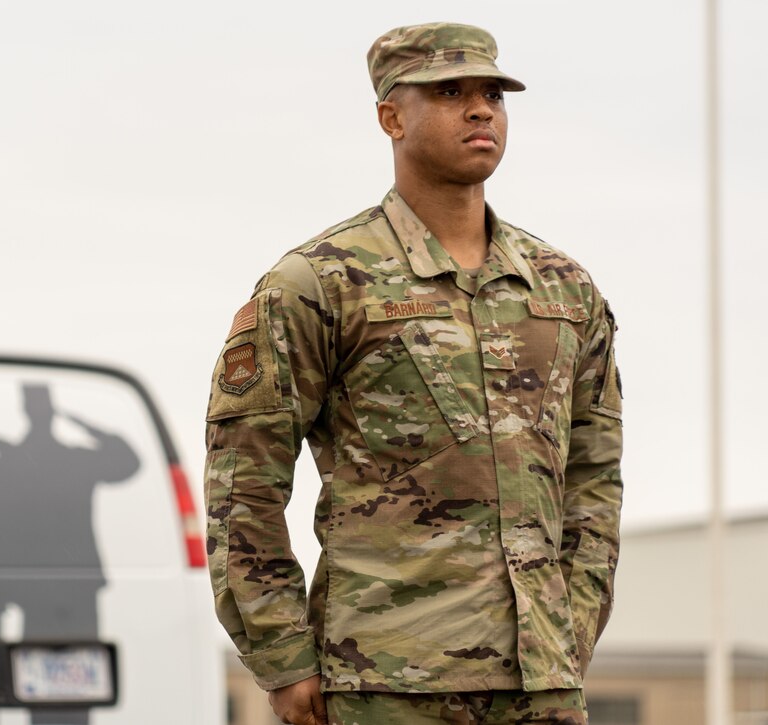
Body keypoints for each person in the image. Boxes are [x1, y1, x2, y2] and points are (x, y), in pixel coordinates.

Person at [203, 22, 623, 725]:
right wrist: (283, 657)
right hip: (384, 683)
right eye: (450, 91)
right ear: (391, 117)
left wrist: (572, 630)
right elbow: (242, 483)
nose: (481, 108)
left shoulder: (563, 290)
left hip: (540, 683)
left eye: (492, 92)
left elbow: (595, 475)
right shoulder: (319, 282)